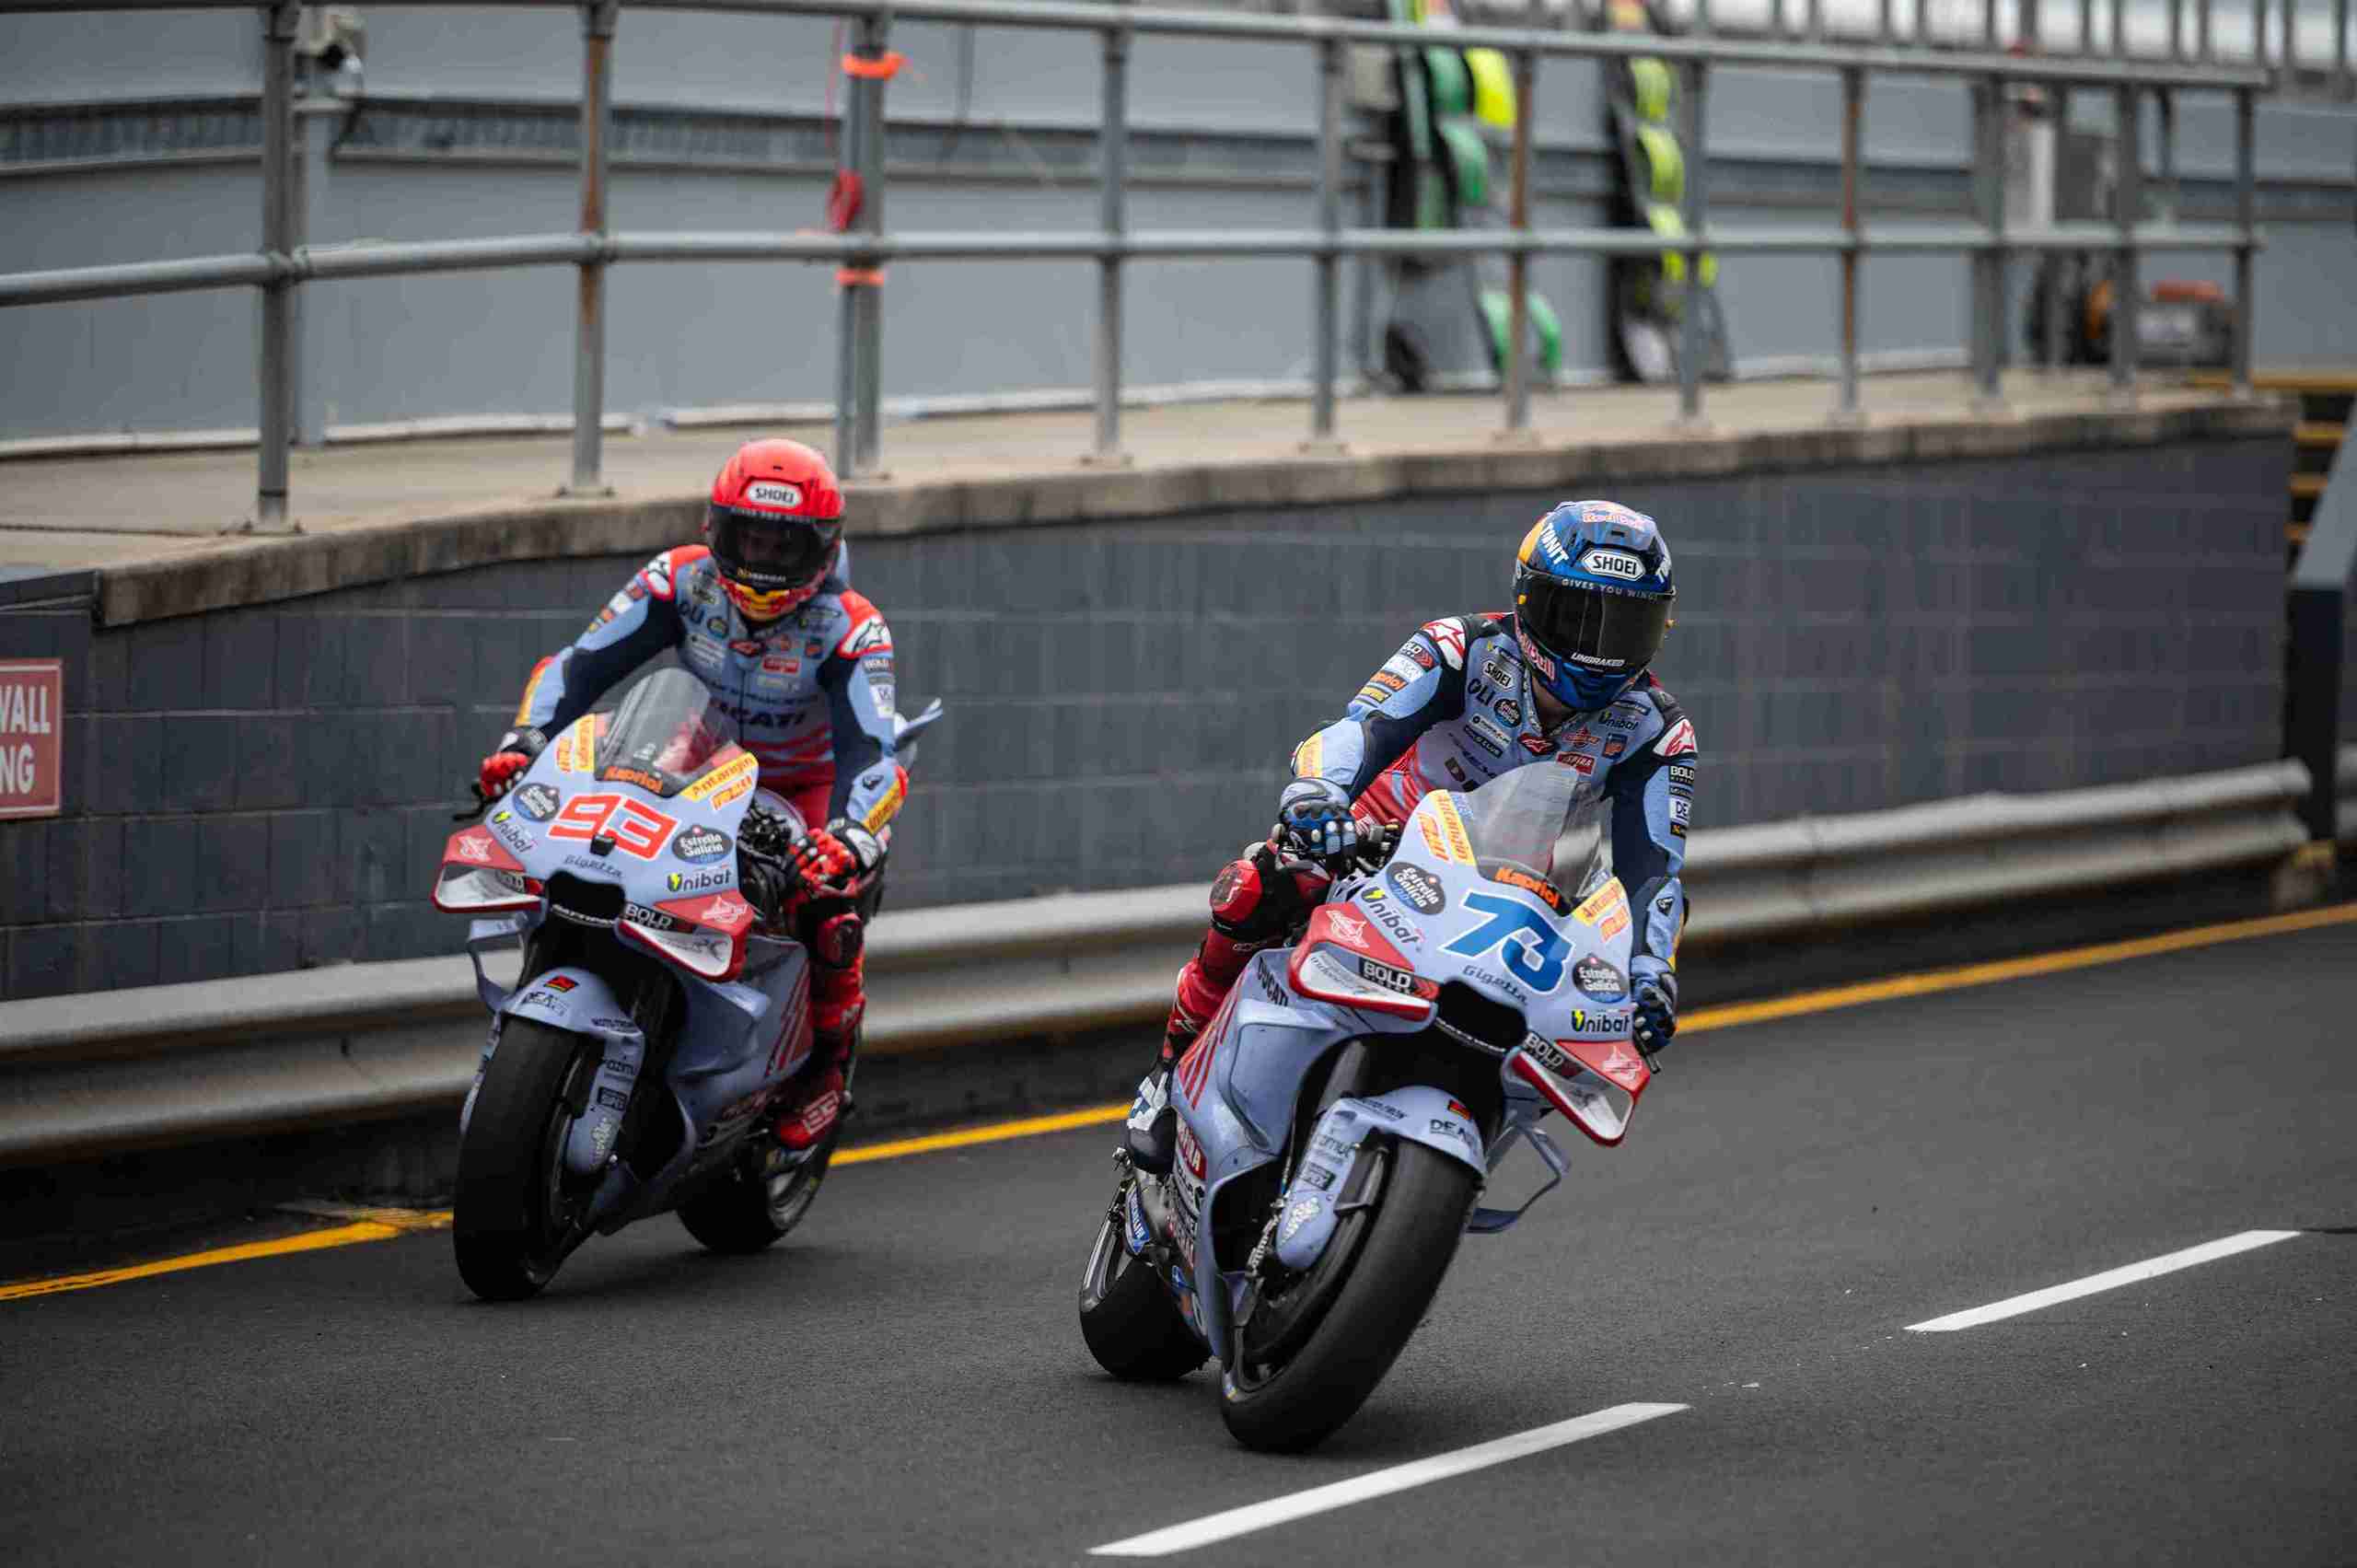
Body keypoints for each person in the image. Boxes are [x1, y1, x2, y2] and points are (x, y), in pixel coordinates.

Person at [1125, 499, 1696, 1174]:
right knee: (1264, 881)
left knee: (1589, 1011)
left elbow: (1653, 872)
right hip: (1377, 841)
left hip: (1514, 893)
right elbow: (1362, 727)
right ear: (1528, 600)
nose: (1598, 651)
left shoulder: (1656, 730)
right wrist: (1318, 796)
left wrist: (1652, 972)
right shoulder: (1461, 649)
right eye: (1580, 618)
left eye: (1626, 626)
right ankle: (1167, 1072)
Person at [475, 438, 904, 1156]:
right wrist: (524, 740)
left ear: (823, 550)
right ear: (717, 529)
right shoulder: (677, 579)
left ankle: (826, 1067)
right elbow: (577, 668)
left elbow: (875, 750)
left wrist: (855, 833)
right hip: (683, 762)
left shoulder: (853, 626)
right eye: (750, 536)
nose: (763, 557)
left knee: (827, 901)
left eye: (783, 543)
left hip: (796, 788)